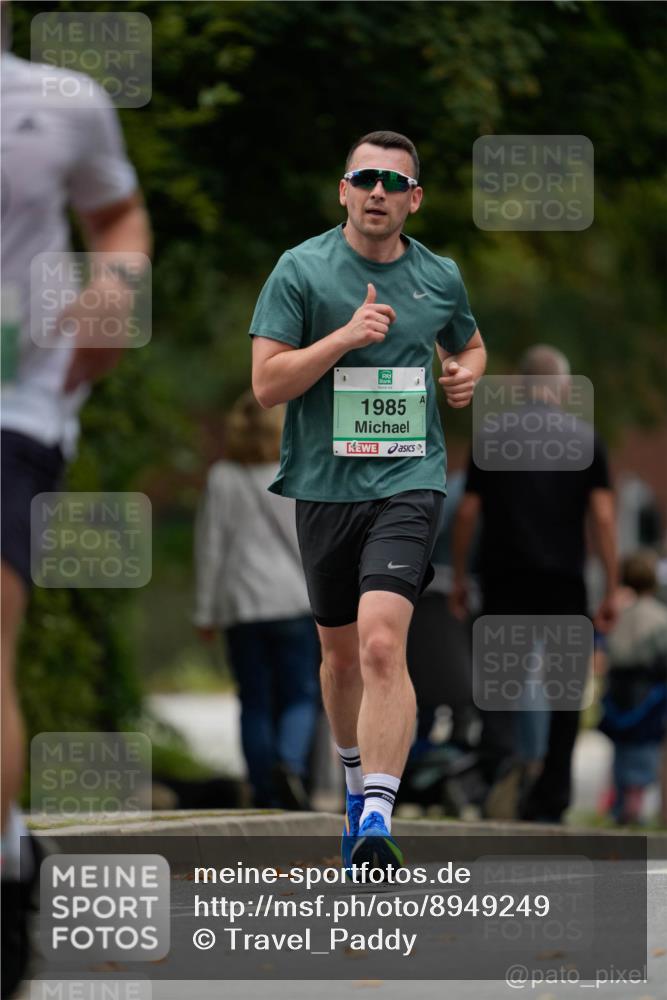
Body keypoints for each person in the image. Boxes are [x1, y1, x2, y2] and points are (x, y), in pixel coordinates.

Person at [250, 130, 485, 873]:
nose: (377, 191)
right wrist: (343, 339)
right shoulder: (301, 270)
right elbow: (266, 385)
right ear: (343, 191)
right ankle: (355, 784)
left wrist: (463, 375)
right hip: (323, 485)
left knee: (384, 640)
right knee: (339, 654)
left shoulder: (438, 276)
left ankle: (379, 813)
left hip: (409, 480)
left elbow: (469, 345)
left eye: (392, 181)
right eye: (364, 178)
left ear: (413, 199)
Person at [1, 26, 150, 996]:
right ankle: (16, 843)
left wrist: (118, 289)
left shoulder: (61, 98)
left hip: (12, 407)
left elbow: (119, 213)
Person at [451, 345, 618, 823]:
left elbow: (467, 512)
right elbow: (603, 516)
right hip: (564, 581)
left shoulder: (492, 436)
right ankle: (552, 796)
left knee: (502, 683)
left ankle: (502, 769)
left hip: (504, 578)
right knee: (566, 693)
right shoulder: (585, 438)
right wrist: (611, 585)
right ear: (563, 388)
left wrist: (462, 575)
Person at [194, 391, 320, 810]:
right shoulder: (300, 471)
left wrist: (205, 612)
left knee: (254, 698)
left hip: (242, 605)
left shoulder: (222, 478)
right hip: (295, 601)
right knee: (300, 694)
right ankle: (289, 763)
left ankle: (263, 788)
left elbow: (211, 548)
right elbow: (313, 544)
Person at [598, 550, 667, 824]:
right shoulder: (660, 617)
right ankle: (635, 800)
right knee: (645, 747)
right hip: (649, 691)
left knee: (622, 747)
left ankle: (621, 800)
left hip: (617, 689)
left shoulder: (617, 613)